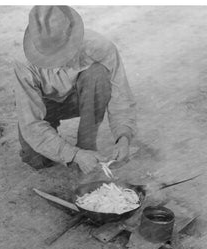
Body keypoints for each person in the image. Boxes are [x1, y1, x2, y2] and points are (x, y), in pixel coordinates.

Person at [14, 5, 136, 174]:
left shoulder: (100, 47)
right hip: (45, 106)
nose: (60, 61)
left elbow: (121, 96)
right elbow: (31, 124)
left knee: (98, 74)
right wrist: (73, 154)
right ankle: (76, 152)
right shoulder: (23, 64)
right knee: (36, 159)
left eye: (64, 53)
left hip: (81, 99)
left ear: (74, 37)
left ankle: (87, 143)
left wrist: (123, 137)